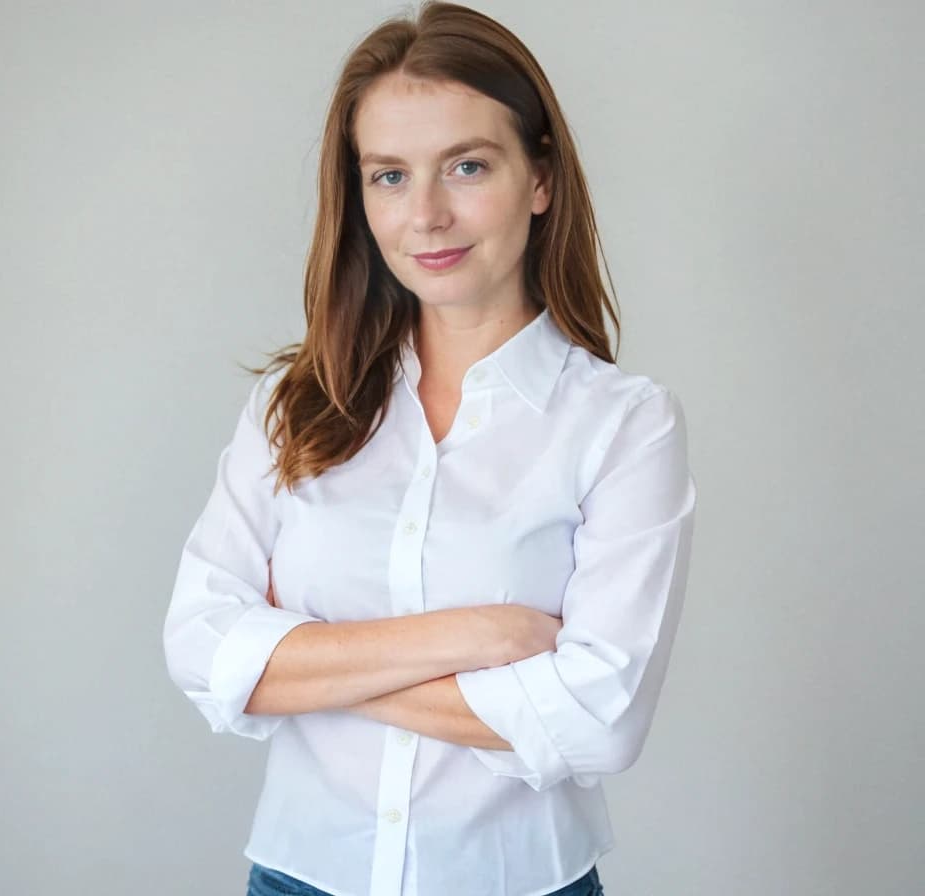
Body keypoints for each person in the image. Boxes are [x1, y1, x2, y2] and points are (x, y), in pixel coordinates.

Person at [162, 3, 696, 894]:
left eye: (468, 166)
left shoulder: (623, 425)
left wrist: (299, 666)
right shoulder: (294, 405)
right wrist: (482, 635)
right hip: (300, 876)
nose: (428, 216)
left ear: (541, 179)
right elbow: (198, 645)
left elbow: (598, 720)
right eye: (389, 176)